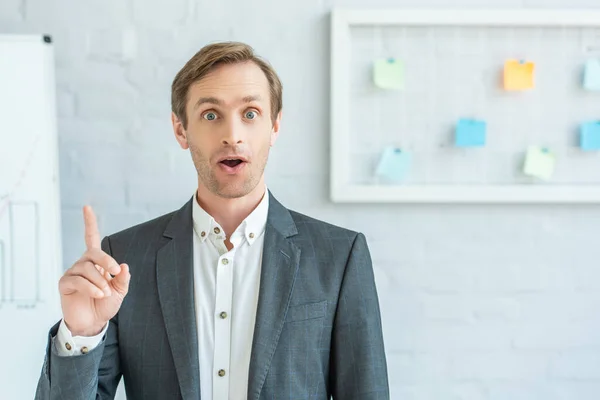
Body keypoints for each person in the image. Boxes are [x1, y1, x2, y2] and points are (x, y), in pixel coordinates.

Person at [35, 41, 389, 400]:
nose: (232, 135)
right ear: (181, 130)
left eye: (250, 113)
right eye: (210, 115)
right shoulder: (125, 258)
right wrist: (79, 335)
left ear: (275, 126)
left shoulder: (340, 256)